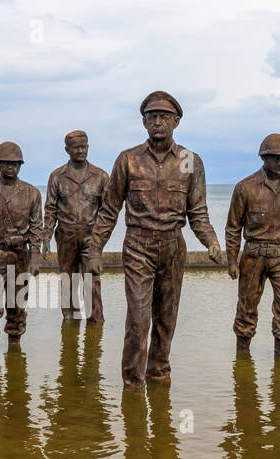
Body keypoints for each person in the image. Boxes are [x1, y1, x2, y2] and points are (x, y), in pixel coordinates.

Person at [88, 91, 224, 389]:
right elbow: (109, 209)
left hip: (174, 245)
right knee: (138, 318)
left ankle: (159, 374)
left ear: (176, 121)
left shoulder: (189, 161)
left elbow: (197, 212)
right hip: (138, 245)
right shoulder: (128, 160)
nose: (158, 123)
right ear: (144, 122)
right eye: (152, 117)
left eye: (164, 117)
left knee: (166, 317)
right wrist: (95, 250)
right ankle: (132, 384)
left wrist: (211, 242)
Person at [225, 133, 280, 357]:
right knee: (246, 309)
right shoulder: (245, 188)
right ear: (264, 158)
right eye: (275, 158)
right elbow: (233, 228)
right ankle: (242, 359)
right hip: (253, 256)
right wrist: (232, 261)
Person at [0, 141, 43, 346]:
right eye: (5, 163)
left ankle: (15, 349)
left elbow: (36, 228)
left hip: (20, 256)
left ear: (20, 165)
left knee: (17, 306)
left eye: (15, 163)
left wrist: (35, 257)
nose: (10, 167)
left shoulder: (32, 193)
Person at [43, 130, 108, 325]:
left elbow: (107, 211)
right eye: (76, 148)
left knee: (92, 280)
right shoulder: (57, 176)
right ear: (67, 150)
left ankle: (95, 325)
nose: (81, 151)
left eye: (84, 146)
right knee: (68, 281)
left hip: (91, 236)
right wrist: (45, 238)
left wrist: (100, 238)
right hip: (66, 236)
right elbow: (50, 209)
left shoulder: (100, 176)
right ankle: (70, 323)